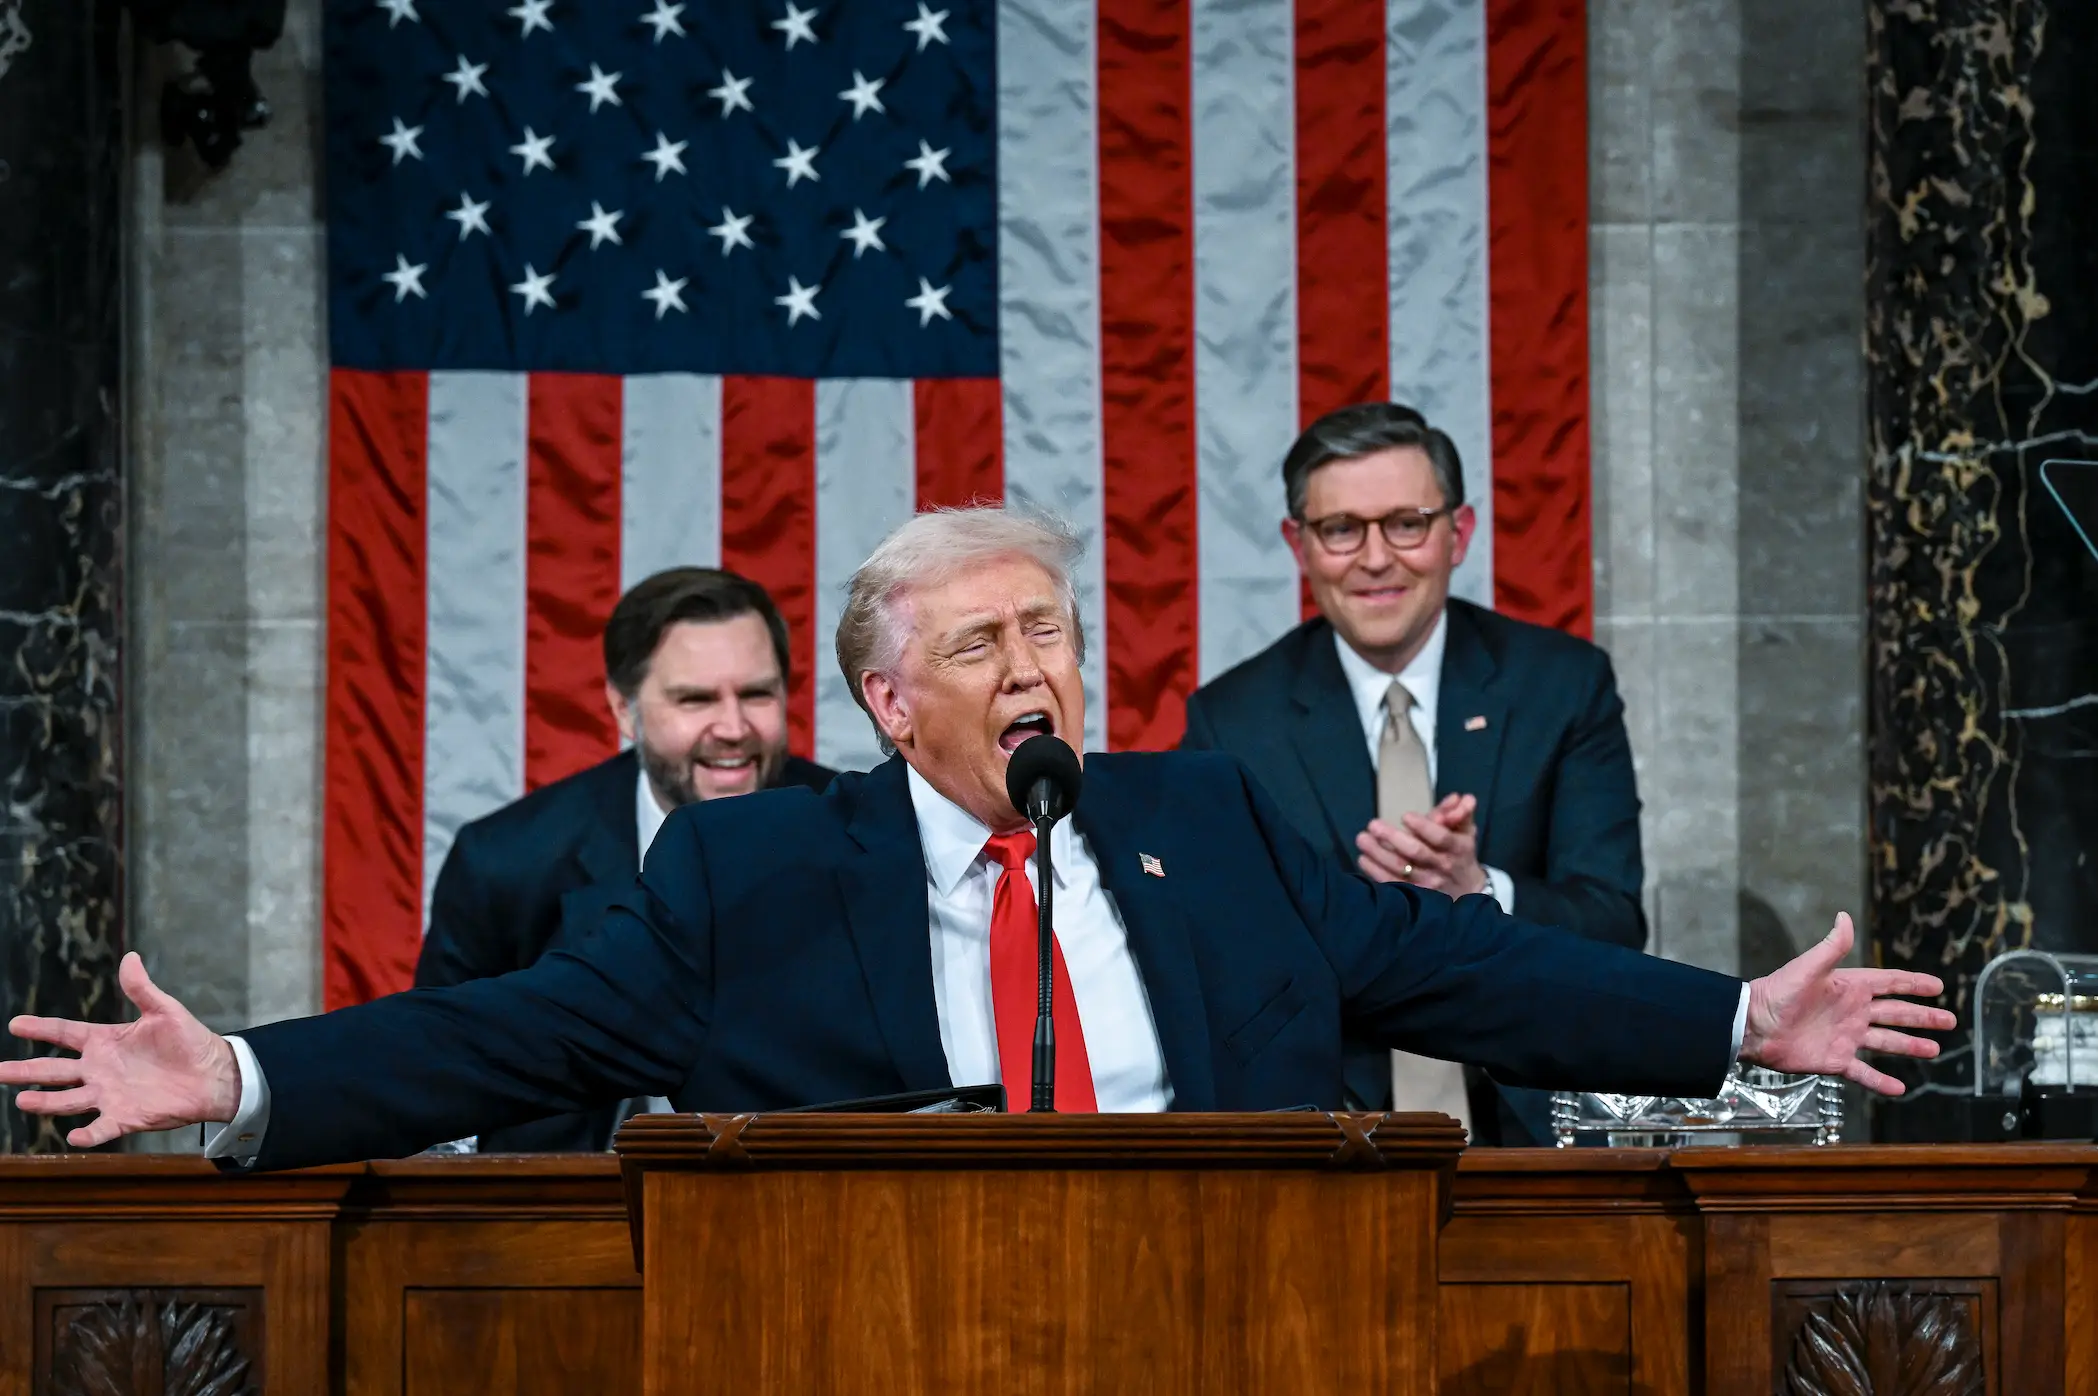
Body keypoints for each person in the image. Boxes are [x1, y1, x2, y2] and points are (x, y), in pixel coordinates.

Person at [1, 509, 1950, 1171]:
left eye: (1051, 631)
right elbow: (507, 1032)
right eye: (980, 642)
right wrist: (244, 1071)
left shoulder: (1207, 815)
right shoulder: (754, 870)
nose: (1033, 667)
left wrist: (1723, 1021)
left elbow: (1455, 965)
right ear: (886, 701)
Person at [1183, 402, 1640, 1144]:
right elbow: (1213, 960)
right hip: (1326, 1137)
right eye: (1341, 530)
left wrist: (1479, 893)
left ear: (1458, 533)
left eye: (1406, 523)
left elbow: (1615, 922)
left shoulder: (1561, 687)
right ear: (1298, 544)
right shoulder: (1231, 722)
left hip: (1534, 1130)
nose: (1374, 559)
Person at [416, 567, 835, 1151]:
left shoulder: (860, 835)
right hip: (568, 1210)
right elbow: (439, 1074)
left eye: (757, 694)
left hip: (803, 1201)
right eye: (696, 699)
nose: (734, 728)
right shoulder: (505, 862)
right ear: (622, 708)